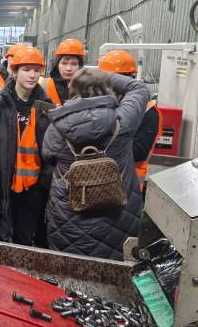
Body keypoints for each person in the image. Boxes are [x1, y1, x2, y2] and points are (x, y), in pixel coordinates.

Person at [42, 68, 150, 260]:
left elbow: (48, 155)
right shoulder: (123, 119)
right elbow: (138, 88)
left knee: (68, 270)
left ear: (73, 88)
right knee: (116, 270)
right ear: (107, 88)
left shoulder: (57, 126)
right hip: (119, 216)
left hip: (69, 217)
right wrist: (103, 73)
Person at [0, 47, 54, 245]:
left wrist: (44, 183)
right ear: (14, 72)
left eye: (36, 70)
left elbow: (53, 149)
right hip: (3, 185)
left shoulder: (45, 107)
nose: (32, 75)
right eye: (26, 70)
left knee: (24, 240)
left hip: (34, 188)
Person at [98, 50, 162, 192]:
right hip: (97, 182)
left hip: (127, 186)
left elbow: (138, 151)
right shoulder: (104, 104)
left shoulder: (148, 111)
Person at [41, 38, 86, 106]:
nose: (68, 69)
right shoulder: (44, 86)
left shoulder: (87, 88)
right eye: (64, 63)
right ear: (57, 64)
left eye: (74, 64)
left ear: (80, 66)